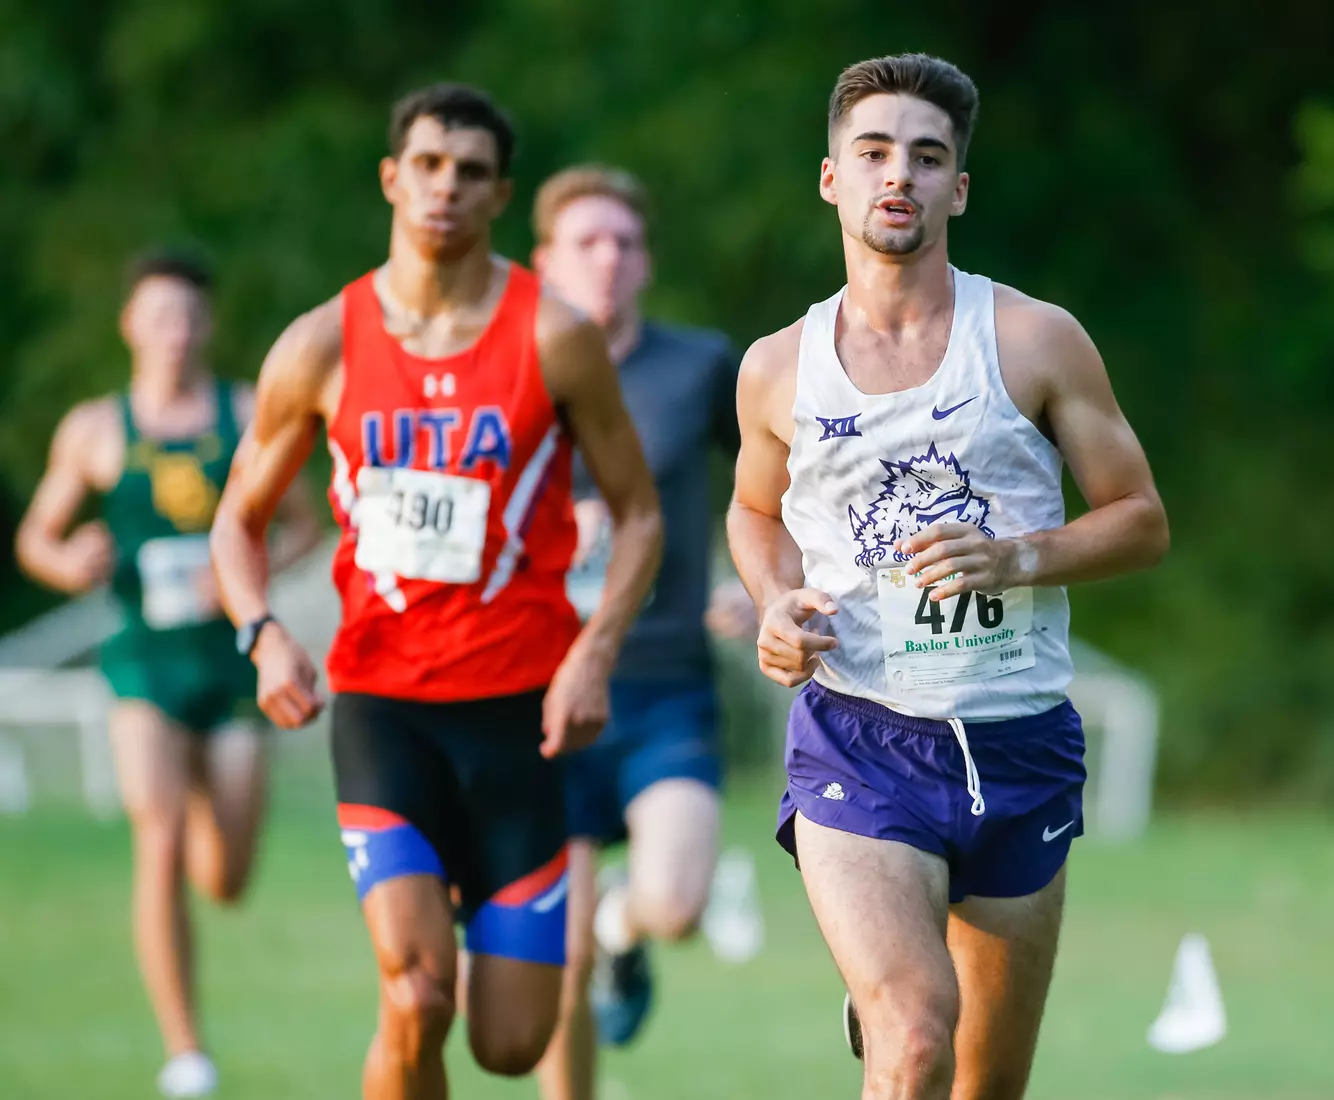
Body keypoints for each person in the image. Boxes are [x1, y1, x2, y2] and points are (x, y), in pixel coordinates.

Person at [726, 54, 1170, 1099]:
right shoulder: (778, 366)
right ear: (831, 177)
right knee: (919, 1036)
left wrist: (1016, 554)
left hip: (1016, 738)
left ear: (956, 189)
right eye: (873, 152)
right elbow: (753, 510)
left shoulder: (1030, 338)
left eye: (926, 158)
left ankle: (893, 982)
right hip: (861, 733)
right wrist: (773, 599)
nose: (899, 176)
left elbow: (1141, 520)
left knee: (982, 1082)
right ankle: (892, 989)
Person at [207, 84, 663, 1100]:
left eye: (467, 172)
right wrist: (262, 632)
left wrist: (593, 651)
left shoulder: (553, 336)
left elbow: (638, 513)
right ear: (391, 177)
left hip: (520, 718)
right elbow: (236, 519)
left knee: (508, 1045)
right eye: (426, 165)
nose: (443, 187)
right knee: (415, 993)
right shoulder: (321, 343)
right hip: (385, 711)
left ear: (500, 193)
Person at [14, 248, 320, 1098]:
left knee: (225, 879)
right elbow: (36, 537)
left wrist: (246, 573)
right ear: (130, 326)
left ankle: (195, 805)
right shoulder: (96, 428)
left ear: (206, 325)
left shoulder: (246, 412)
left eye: (188, 316)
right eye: (158, 316)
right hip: (142, 665)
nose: (175, 332)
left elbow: (301, 522)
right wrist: (67, 558)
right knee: (159, 839)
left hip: (231, 667)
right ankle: (186, 1052)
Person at [525, 165, 755, 1100]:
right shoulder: (510, 370)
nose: (608, 258)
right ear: (544, 263)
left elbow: (795, 482)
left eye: (623, 240)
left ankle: (629, 930)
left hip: (665, 687)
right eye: (587, 241)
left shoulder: (700, 366)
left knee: (673, 905)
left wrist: (759, 579)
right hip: (540, 698)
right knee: (557, 965)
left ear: (647, 259)